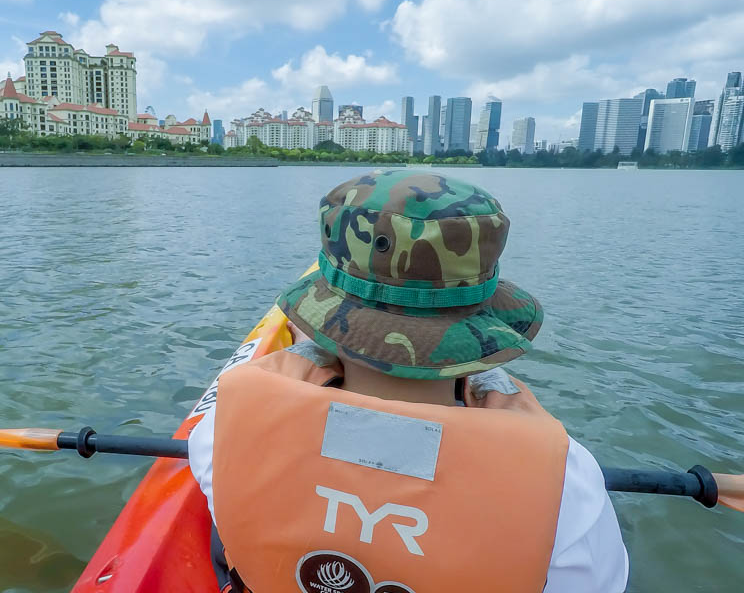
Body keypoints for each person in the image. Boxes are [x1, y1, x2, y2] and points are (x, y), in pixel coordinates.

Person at [188, 169, 628, 593]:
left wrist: (309, 352)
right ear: (483, 316)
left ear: (326, 314)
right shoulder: (567, 483)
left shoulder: (222, 426)